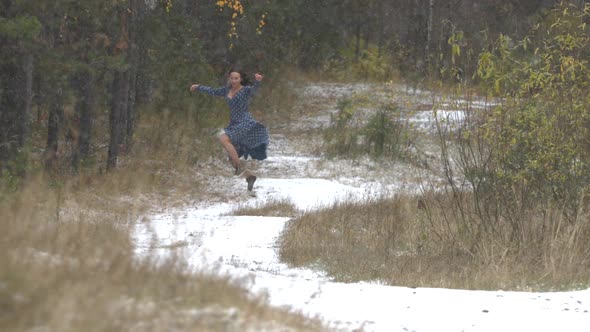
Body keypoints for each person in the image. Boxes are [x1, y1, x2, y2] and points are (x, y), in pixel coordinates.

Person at [190, 69, 269, 191]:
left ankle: (239, 167)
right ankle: (249, 177)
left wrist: (257, 81)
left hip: (244, 122)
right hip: (234, 124)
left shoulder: (245, 90)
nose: (233, 80)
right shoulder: (226, 90)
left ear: (240, 79)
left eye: (236, 78)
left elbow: (254, 90)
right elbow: (213, 91)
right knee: (231, 158)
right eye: (231, 78)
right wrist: (198, 87)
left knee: (223, 139)